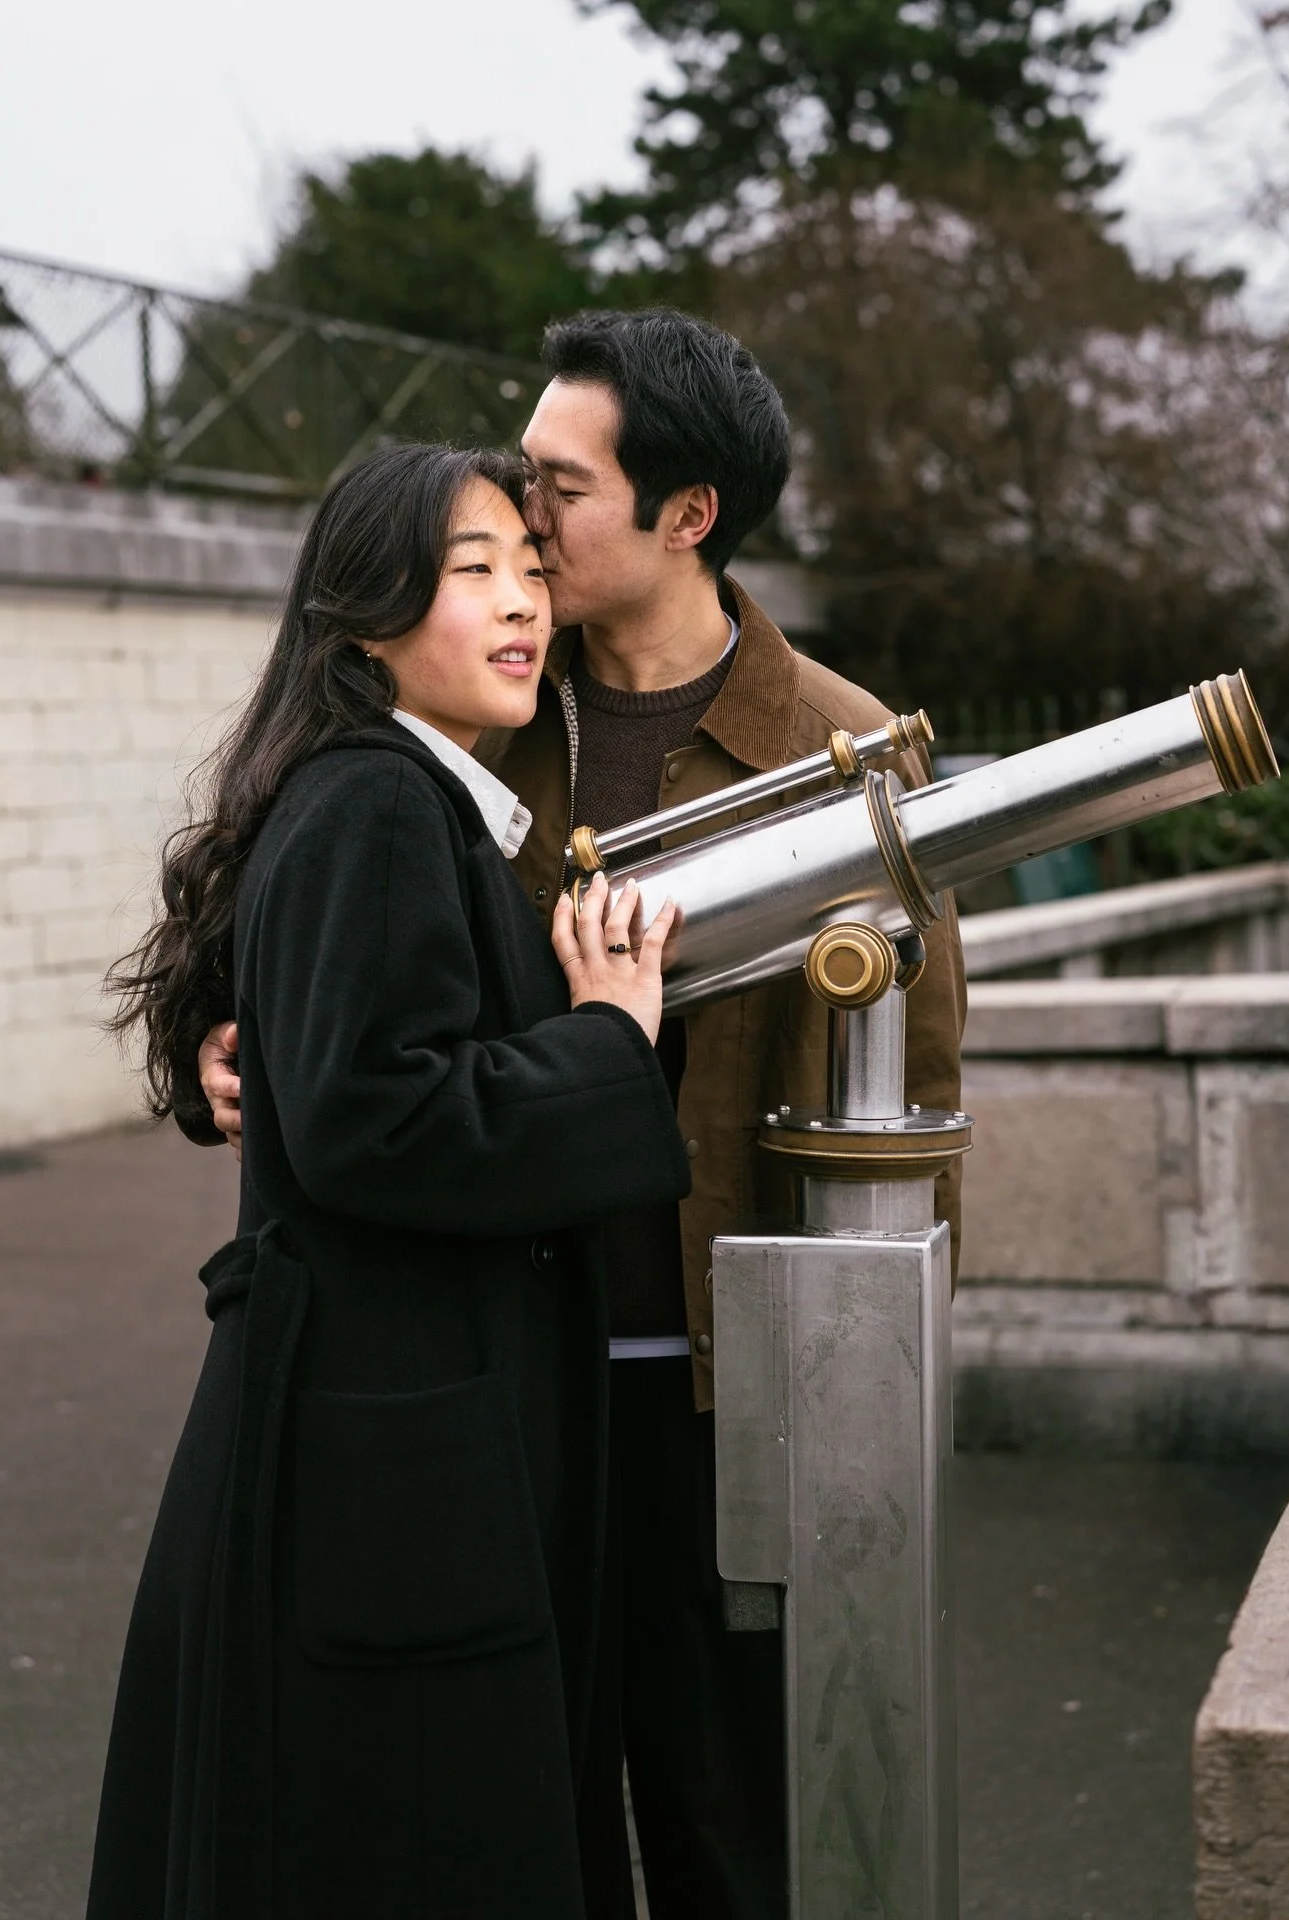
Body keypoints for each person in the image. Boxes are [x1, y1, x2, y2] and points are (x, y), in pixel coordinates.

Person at [200, 311, 968, 1918]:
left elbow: (926, 1107)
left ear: (686, 514)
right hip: (498, 1389)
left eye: (558, 488)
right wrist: (235, 1050)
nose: (520, 523)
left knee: (732, 1835)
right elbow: (312, 969)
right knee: (511, 1831)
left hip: (720, 1398)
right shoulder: (470, 716)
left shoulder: (845, 752)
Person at [90, 442, 691, 1920]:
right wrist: (610, 1038)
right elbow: (380, 1116)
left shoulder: (403, 797)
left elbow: (329, 1065)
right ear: (364, 615)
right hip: (385, 1466)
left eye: (530, 568)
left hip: (389, 1443)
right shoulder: (377, 801)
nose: (521, 603)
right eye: (471, 568)